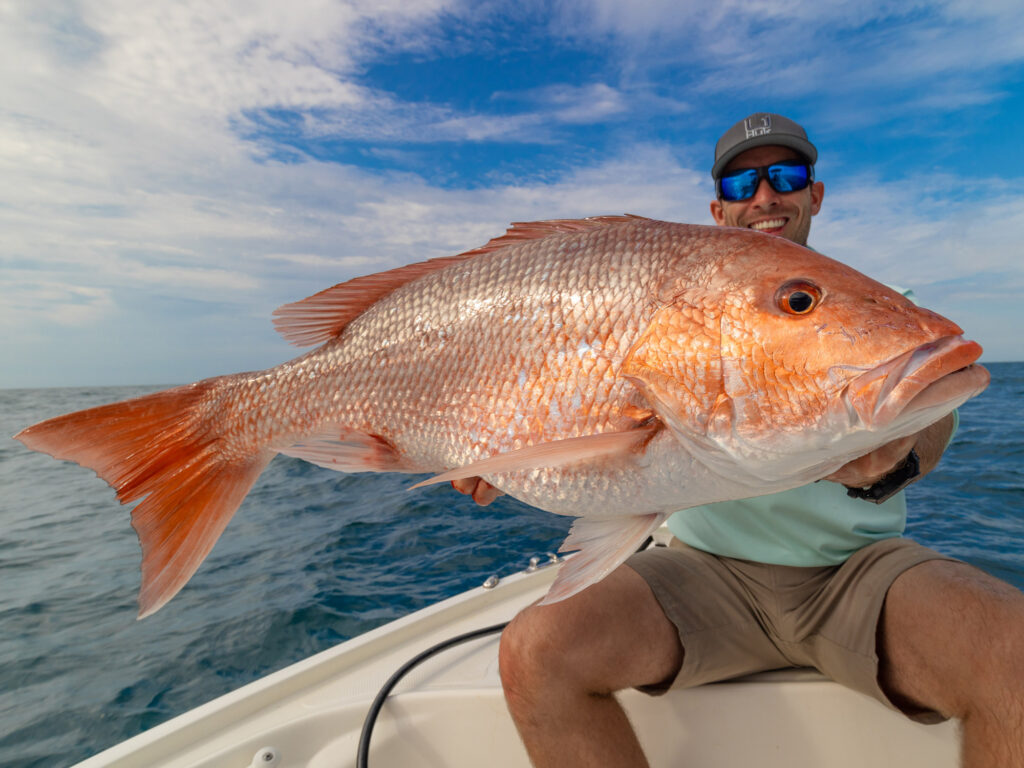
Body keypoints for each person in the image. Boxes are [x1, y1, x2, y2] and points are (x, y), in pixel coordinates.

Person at [454, 113, 1024, 767]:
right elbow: (596, 420)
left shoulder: (885, 305)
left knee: (1015, 651)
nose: (765, 196)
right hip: (700, 573)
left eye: (786, 175)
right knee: (535, 649)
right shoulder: (676, 308)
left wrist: (893, 459)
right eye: (742, 181)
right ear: (717, 208)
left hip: (854, 574)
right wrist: (497, 450)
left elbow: (935, 413)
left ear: (815, 193)